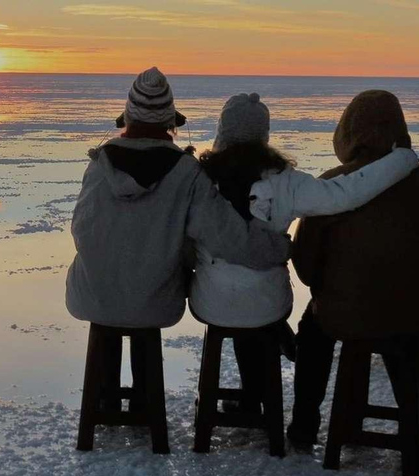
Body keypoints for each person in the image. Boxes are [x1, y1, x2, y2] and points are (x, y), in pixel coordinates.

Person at [188, 92, 419, 412]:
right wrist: (402, 159)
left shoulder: (198, 180)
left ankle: (249, 398)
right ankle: (259, 387)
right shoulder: (287, 182)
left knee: (233, 291)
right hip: (269, 302)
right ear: (263, 136)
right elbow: (345, 193)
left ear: (222, 131)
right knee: (256, 301)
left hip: (211, 302)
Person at [287, 90, 419, 446]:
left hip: (344, 313)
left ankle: (304, 427)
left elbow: (305, 265)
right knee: (405, 335)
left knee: (313, 328)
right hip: (412, 312)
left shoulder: (334, 184)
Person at [65, 68, 290, 330]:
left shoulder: (99, 165)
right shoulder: (185, 171)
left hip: (88, 299)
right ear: (171, 123)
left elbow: (81, 229)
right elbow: (226, 236)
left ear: (126, 119)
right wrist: (280, 249)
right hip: (156, 305)